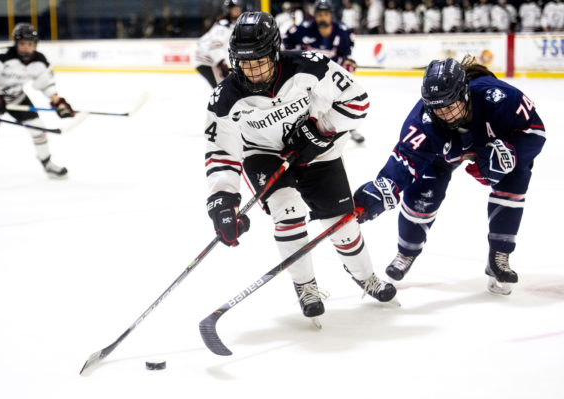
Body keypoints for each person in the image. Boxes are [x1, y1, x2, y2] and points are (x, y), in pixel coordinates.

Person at [204, 11, 396, 321]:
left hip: (319, 150)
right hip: (263, 154)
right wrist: (222, 199)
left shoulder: (310, 66)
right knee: (288, 211)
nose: (252, 71)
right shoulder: (224, 99)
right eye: (244, 63)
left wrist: (320, 130)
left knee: (342, 224)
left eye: (259, 61)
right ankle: (305, 286)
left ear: (275, 52)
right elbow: (221, 153)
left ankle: (365, 276)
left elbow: (357, 100)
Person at [353, 56, 546, 296]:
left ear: (465, 93)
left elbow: (534, 132)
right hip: (441, 156)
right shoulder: (423, 121)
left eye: (450, 105)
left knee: (515, 177)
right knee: (422, 196)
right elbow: (404, 161)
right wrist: (380, 191)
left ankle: (500, 254)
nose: (444, 113)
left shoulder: (500, 97)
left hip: (491, 143)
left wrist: (512, 152)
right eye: (437, 107)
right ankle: (406, 251)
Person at [0, 23, 74, 203]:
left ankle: (47, 164)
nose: (26, 47)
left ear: (35, 45)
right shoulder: (2, 56)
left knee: (38, 128)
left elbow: (46, 85)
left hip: (15, 96)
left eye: (30, 44)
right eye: (22, 43)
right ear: (16, 43)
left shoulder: (40, 61)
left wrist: (57, 102)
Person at [283, 0, 365, 144]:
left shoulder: (343, 30)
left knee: (341, 97)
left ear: (331, 15)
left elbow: (347, 55)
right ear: (314, 16)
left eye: (325, 14)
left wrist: (348, 61)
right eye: (319, 14)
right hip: (309, 76)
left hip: (332, 75)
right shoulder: (304, 28)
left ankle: (348, 128)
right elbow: (287, 42)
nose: (322, 18)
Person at [195, 0, 243, 88]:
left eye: (238, 8)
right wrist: (221, 63)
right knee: (224, 90)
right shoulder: (222, 26)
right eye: (234, 9)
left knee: (225, 90)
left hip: (210, 61)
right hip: (207, 61)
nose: (237, 11)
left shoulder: (230, 25)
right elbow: (214, 47)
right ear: (228, 11)